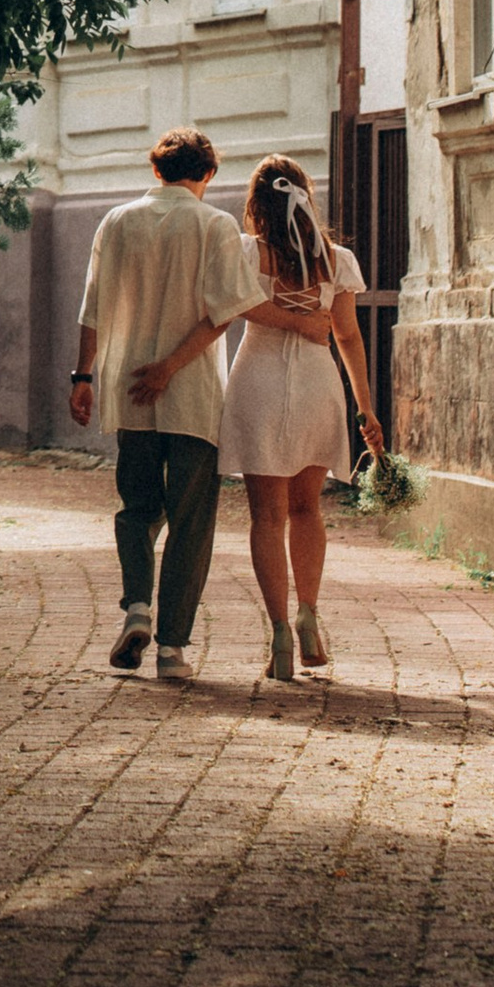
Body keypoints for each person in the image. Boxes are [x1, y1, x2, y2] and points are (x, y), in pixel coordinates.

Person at [133, 152, 384, 681]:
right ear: (306, 198)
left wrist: (170, 365)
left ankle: (278, 636)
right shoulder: (336, 260)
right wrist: (366, 409)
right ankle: (310, 613)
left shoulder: (246, 254)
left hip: (259, 386)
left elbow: (221, 316)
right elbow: (348, 337)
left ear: (255, 204)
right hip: (320, 388)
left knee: (267, 516)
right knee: (307, 510)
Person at [67, 125, 295, 675]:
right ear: (209, 173)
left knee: (137, 508)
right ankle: (171, 650)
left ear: (155, 170)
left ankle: (137, 608)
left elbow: (92, 307)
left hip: (129, 387)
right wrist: (171, 368)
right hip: (191, 393)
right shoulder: (216, 226)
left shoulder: (116, 221)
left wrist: (83, 377)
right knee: (192, 520)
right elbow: (224, 312)